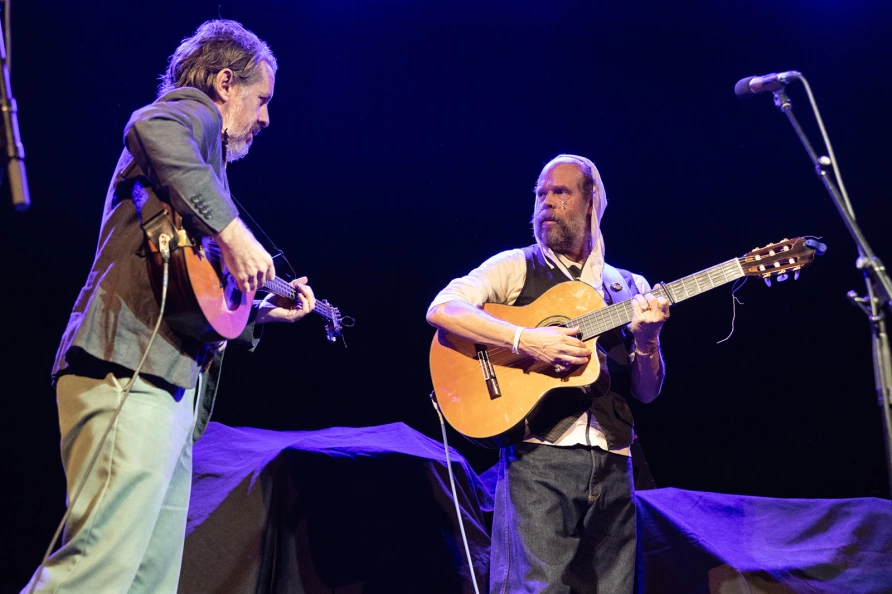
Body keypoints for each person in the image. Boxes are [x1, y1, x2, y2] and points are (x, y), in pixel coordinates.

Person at [21, 20, 315, 593]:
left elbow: (186, 285)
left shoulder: (197, 170)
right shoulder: (192, 114)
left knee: (146, 581)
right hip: (127, 368)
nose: (266, 117)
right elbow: (148, 123)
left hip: (164, 382)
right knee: (95, 572)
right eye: (262, 99)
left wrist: (256, 313)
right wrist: (234, 231)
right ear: (226, 83)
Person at [426, 154, 670, 593]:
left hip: (616, 464)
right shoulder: (515, 266)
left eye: (561, 192)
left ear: (593, 200)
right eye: (541, 194)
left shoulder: (628, 286)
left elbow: (647, 393)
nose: (547, 203)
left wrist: (648, 340)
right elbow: (442, 309)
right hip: (539, 460)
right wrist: (527, 340)